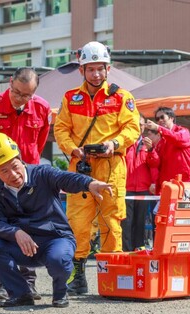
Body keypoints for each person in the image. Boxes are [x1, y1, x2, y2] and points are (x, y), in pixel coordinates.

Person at [0, 132, 112, 308]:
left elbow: (65, 178)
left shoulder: (42, 174)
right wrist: (15, 232)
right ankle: (20, 294)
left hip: (55, 239)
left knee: (58, 259)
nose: (13, 174)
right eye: (4, 170)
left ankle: (60, 292)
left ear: (21, 159)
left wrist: (89, 183)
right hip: (24, 246)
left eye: (14, 166)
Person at [53, 41, 140, 294]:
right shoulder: (70, 98)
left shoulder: (122, 97)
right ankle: (77, 276)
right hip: (79, 167)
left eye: (100, 68)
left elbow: (133, 128)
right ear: (82, 70)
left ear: (108, 68)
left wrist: (115, 143)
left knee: (111, 220)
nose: (96, 74)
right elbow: (61, 129)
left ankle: (112, 276)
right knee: (78, 222)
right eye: (90, 69)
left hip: (112, 167)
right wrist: (73, 149)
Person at [0, 67, 51, 300]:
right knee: (1, 229)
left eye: (27, 95)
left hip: (28, 179)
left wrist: (28, 169)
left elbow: (40, 141)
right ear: (10, 82)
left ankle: (29, 282)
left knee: (31, 227)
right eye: (17, 93)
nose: (20, 99)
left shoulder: (41, 108)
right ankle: (4, 282)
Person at [121, 114, 159, 251]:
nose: (139, 126)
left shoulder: (148, 143)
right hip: (127, 187)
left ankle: (139, 247)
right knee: (126, 221)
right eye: (136, 123)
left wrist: (151, 150)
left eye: (142, 124)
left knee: (140, 220)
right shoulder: (124, 143)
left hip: (143, 188)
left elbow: (154, 164)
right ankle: (126, 250)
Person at [144, 106, 190, 194]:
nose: (160, 120)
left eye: (162, 117)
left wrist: (158, 128)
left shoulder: (183, 131)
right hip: (168, 185)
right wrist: (150, 150)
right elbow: (156, 164)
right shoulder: (161, 141)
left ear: (171, 118)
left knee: (183, 208)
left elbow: (178, 139)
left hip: (185, 182)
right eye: (157, 119)